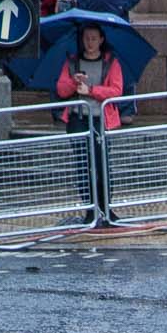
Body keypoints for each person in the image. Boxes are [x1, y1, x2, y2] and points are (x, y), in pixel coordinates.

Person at [54, 23, 124, 218]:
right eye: (86, 38)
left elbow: (117, 91)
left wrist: (92, 91)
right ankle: (90, 210)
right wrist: (73, 82)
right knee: (83, 165)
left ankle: (106, 208)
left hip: (101, 120)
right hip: (78, 119)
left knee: (103, 165)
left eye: (94, 38)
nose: (90, 42)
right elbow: (61, 89)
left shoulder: (111, 63)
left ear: (101, 40)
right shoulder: (72, 63)